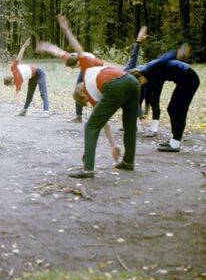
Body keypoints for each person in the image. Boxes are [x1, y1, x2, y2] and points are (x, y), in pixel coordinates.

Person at [39, 15, 140, 178]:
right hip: (131, 81)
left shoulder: (88, 84)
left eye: (84, 102)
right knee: (129, 124)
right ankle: (128, 162)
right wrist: (113, 145)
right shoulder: (93, 66)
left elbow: (76, 49)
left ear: (82, 95)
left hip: (115, 84)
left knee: (90, 126)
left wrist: (67, 30)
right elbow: (66, 54)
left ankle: (88, 169)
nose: (88, 104)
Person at [129, 44, 199, 152]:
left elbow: (164, 58)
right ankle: (174, 139)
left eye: (139, 83)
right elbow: (148, 96)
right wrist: (145, 109)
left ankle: (175, 143)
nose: (140, 85)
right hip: (184, 80)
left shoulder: (150, 69)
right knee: (171, 109)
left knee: (179, 110)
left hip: (189, 79)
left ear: (140, 76)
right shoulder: (147, 74)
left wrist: (178, 52)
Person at [3, 38, 50, 117]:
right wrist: (24, 47)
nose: (11, 86)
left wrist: (17, 107)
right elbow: (19, 57)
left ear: (11, 81)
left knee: (43, 93)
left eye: (10, 85)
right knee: (29, 94)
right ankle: (24, 111)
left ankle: (46, 111)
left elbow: (17, 94)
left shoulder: (17, 79)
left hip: (40, 73)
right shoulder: (13, 68)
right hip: (32, 77)